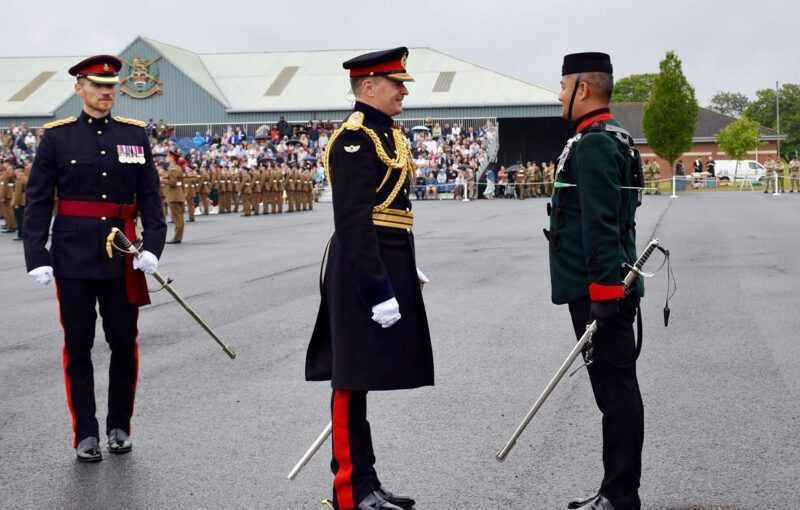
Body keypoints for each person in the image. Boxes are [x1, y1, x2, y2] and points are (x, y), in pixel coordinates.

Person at [305, 47, 433, 510]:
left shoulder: (386, 132)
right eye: (396, 83)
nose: (403, 90)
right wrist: (378, 288)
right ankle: (348, 491)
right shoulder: (354, 138)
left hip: (387, 256)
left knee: (362, 379)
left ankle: (368, 483)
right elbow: (354, 221)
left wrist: (404, 265)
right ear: (369, 87)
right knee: (350, 379)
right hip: (361, 265)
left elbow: (392, 211)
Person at [22, 55, 166, 462]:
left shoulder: (134, 135)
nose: (107, 93)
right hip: (72, 257)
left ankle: (119, 425)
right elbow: (36, 201)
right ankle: (85, 433)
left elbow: (151, 197)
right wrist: (38, 253)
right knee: (78, 345)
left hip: (123, 255)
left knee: (124, 343)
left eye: (112, 87)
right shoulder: (57, 137)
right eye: (98, 86)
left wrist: (153, 245)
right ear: (79, 88)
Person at [545, 52, 644, 510]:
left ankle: (620, 495)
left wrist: (604, 293)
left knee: (616, 394)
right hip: (599, 286)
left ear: (583, 88)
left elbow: (602, 224)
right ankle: (614, 489)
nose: (560, 94)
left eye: (564, 86)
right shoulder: (603, 136)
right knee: (614, 392)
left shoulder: (597, 143)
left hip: (599, 290)